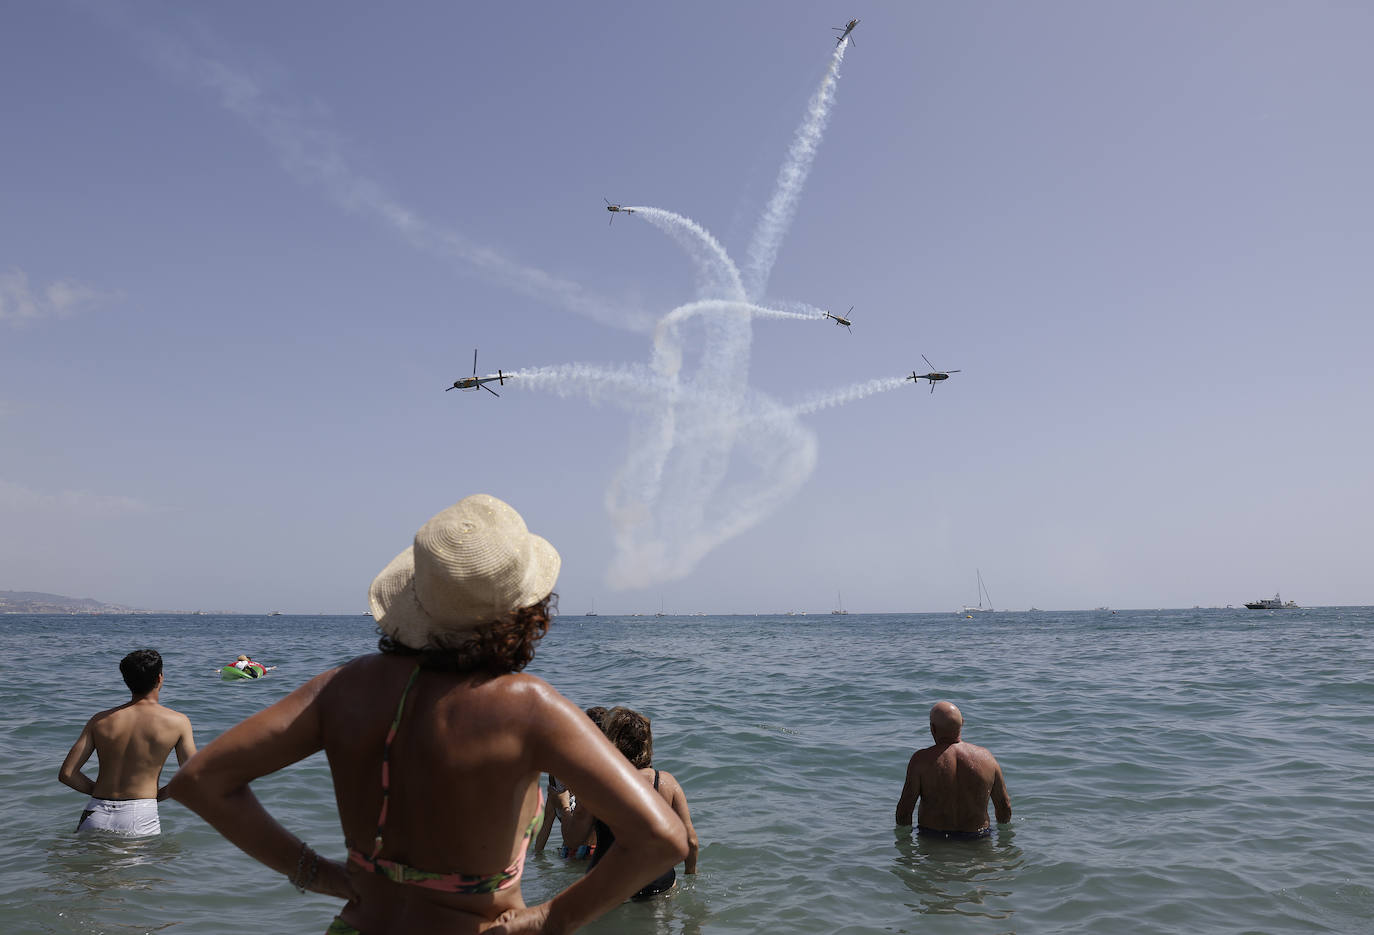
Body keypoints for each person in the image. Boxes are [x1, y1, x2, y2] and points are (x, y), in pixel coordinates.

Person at [168, 494, 686, 935]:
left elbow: (200, 779)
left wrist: (313, 871)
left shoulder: (344, 687)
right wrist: (551, 919)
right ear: (528, 612)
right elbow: (662, 838)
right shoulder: (531, 708)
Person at [58, 648, 197, 835]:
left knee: (91, 864)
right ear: (160, 678)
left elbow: (67, 774)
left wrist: (100, 794)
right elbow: (194, 777)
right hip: (139, 813)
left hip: (95, 812)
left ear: (126, 681)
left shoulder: (100, 720)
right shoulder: (178, 722)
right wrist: (156, 797)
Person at [588, 707, 699, 898]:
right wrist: (690, 873)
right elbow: (691, 842)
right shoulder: (665, 782)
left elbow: (573, 837)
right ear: (647, 744)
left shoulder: (599, 783)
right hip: (657, 884)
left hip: (607, 887)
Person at [895, 701, 1012, 839]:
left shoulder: (920, 761)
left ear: (933, 728)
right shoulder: (987, 758)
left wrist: (905, 847)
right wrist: (1004, 840)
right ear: (962, 723)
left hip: (934, 839)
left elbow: (904, 812)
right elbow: (1004, 807)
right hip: (977, 838)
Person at [534, 707, 607, 861]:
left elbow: (548, 819)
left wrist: (536, 859)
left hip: (571, 853)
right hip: (600, 853)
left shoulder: (558, 772)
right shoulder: (606, 769)